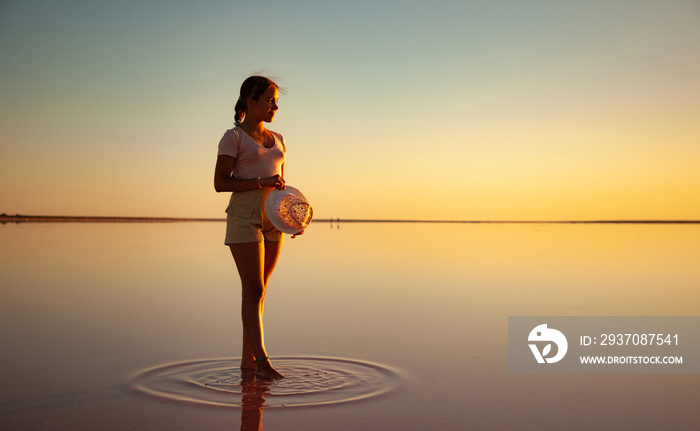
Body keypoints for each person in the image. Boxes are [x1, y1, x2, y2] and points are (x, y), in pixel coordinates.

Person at [214, 75, 300, 380]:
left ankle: (248, 365)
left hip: (273, 217)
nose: (275, 106)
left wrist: (292, 219)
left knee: (258, 294)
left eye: (276, 100)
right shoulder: (233, 137)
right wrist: (259, 182)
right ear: (250, 100)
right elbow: (220, 183)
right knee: (254, 289)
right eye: (269, 99)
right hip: (244, 215)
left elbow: (282, 186)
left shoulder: (279, 139)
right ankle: (262, 361)